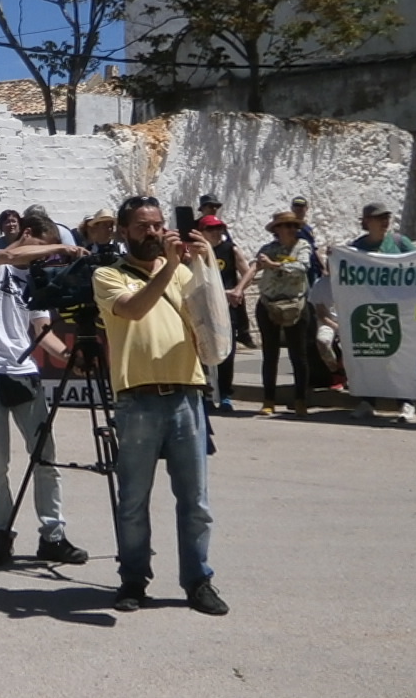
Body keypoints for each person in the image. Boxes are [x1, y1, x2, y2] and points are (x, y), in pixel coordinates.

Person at [91, 196, 227, 616]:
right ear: (123, 232)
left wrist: (205, 265)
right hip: (137, 400)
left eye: (157, 225)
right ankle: (133, 579)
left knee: (196, 501)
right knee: (133, 499)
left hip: (186, 393)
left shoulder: (185, 273)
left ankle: (198, 581)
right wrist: (169, 266)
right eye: (142, 227)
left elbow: (217, 324)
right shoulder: (108, 275)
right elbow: (132, 310)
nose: (152, 233)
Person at [0, 208, 86, 566]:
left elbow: (43, 332)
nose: (47, 256)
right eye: (44, 247)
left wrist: (68, 355)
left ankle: (53, 535)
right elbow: (12, 254)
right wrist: (62, 251)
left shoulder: (33, 280)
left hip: (23, 370)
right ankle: (1, 534)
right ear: (28, 233)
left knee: (45, 457)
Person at [347, 205, 416, 423]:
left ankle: (406, 402)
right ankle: (368, 402)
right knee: (371, 356)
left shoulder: (399, 243)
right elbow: (343, 270)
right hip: (370, 310)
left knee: (400, 357)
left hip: (399, 309)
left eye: (387, 217)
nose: (385, 221)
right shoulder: (357, 246)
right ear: (367, 221)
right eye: (379, 218)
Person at [238, 212, 313, 416]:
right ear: (276, 230)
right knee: (270, 354)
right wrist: (239, 289)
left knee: (298, 354)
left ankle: (300, 400)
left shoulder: (303, 247)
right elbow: (255, 267)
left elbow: (303, 266)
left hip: (295, 304)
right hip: (269, 304)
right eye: (285, 226)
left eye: (293, 226)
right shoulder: (267, 249)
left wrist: (275, 265)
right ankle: (268, 400)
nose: (290, 229)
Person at [197, 216, 247, 413]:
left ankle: (226, 394)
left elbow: (248, 271)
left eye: (219, 229)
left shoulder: (230, 250)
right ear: (201, 233)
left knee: (227, 351)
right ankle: (207, 394)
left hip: (225, 309)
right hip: (203, 307)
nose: (216, 233)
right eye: (211, 230)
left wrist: (238, 290)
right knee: (203, 351)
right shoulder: (196, 253)